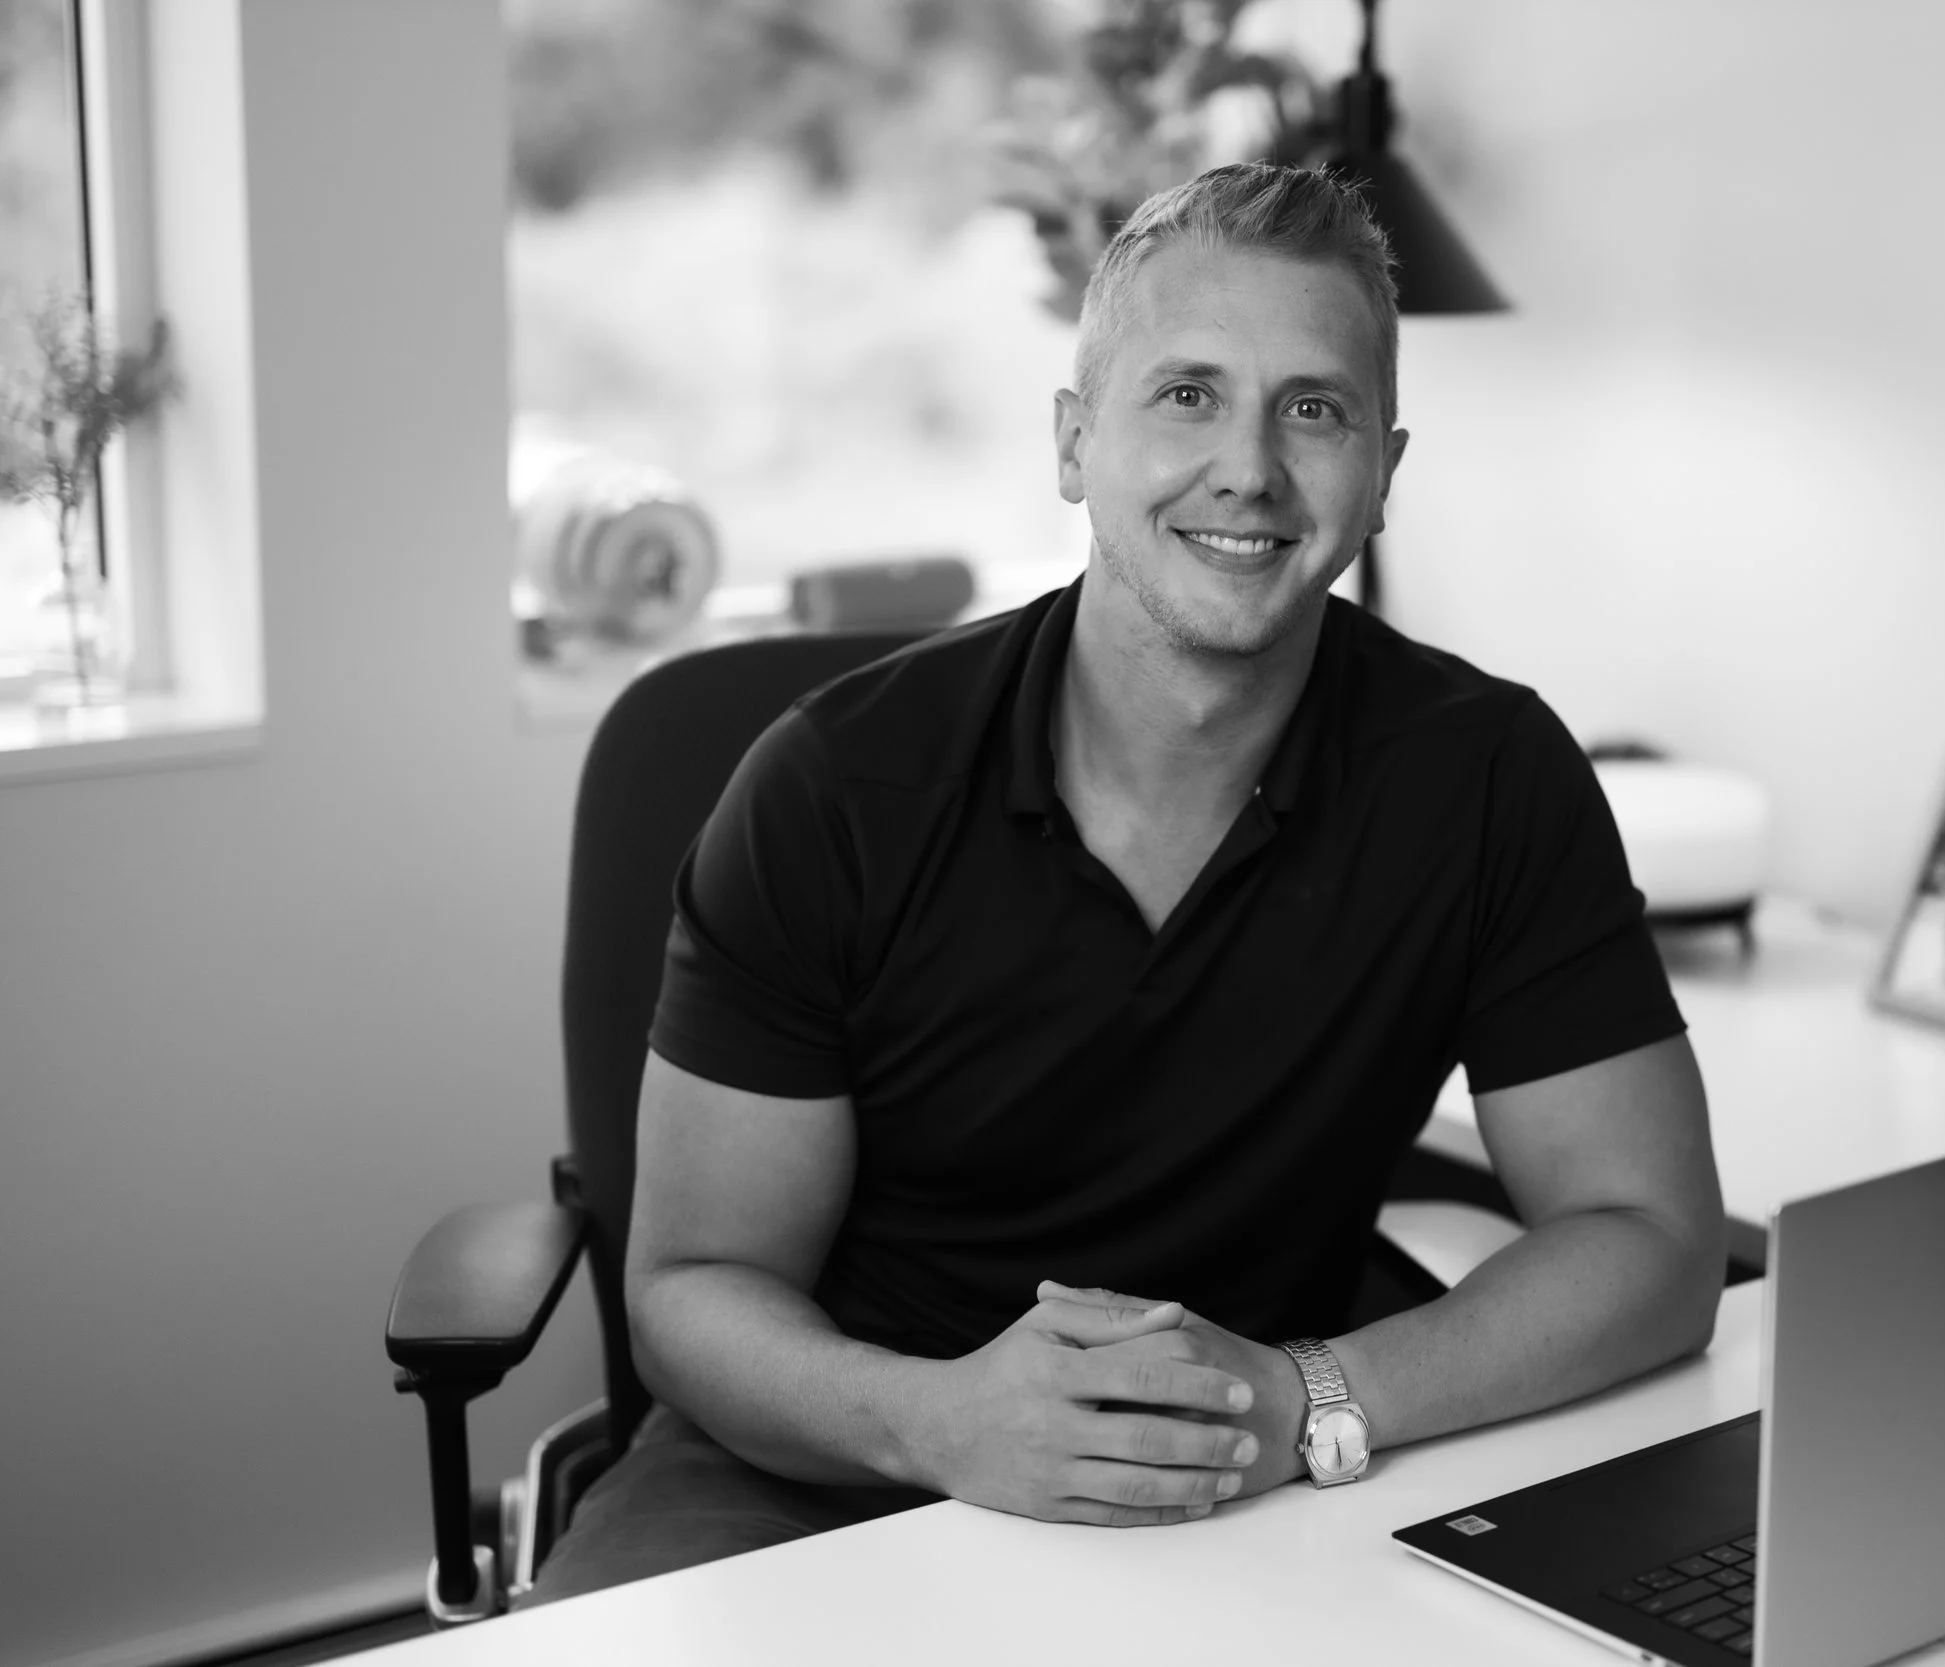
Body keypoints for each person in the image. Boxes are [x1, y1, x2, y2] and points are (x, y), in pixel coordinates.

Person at [521, 161, 1724, 1606]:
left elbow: (1654, 1242)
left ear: (1385, 475)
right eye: (1187, 394)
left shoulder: (1486, 773)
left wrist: (1309, 1398)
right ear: (1075, 441)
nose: (1252, 470)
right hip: (832, 1454)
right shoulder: (836, 788)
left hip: (1268, 1456)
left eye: (1315, 409)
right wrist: (939, 1420)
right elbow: (690, 1289)